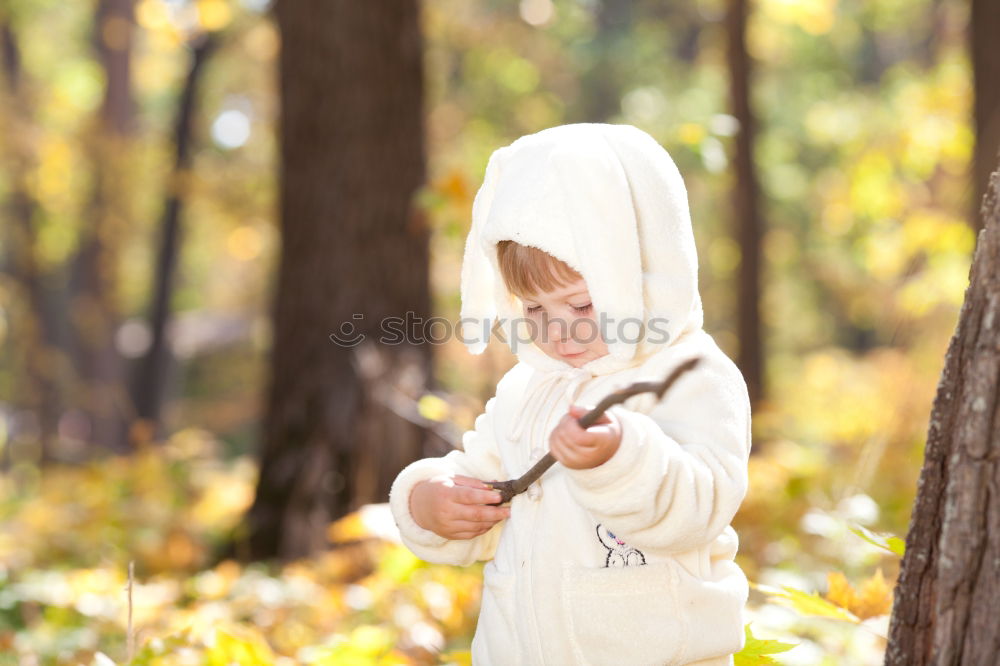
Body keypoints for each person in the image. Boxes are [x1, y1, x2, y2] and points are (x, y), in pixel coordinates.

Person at [388, 123, 752, 665]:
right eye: (534, 309)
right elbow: (483, 477)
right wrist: (432, 502)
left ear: (645, 271)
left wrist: (619, 458)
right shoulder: (527, 390)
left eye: (582, 305)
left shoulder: (691, 374)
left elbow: (698, 507)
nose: (559, 332)